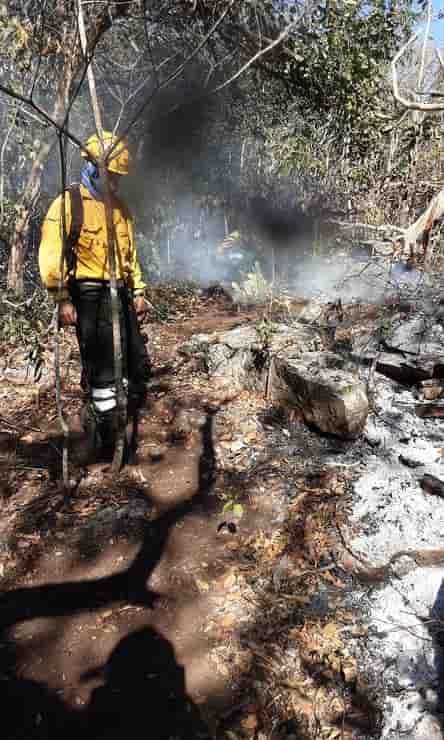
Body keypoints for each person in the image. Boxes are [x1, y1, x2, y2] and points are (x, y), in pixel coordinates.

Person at [39, 130, 151, 455]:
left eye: (117, 176)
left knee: (134, 361)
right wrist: (61, 298)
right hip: (88, 294)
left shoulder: (120, 209)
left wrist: (139, 291)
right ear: (90, 166)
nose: (114, 181)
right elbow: (51, 253)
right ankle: (104, 433)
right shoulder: (68, 204)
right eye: (109, 173)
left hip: (120, 291)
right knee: (101, 367)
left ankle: (123, 421)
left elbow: (131, 253)